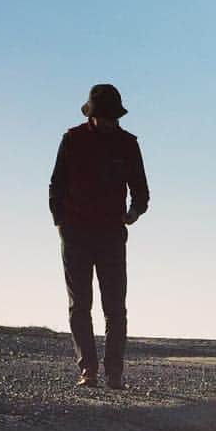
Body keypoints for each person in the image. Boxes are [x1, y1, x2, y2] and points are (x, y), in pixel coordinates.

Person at [49, 84, 149, 390]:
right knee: (80, 305)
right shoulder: (72, 139)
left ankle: (114, 373)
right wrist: (61, 223)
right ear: (92, 115)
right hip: (75, 234)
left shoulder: (128, 144)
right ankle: (88, 370)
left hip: (111, 236)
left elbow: (141, 191)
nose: (108, 122)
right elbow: (56, 185)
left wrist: (133, 214)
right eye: (103, 117)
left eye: (112, 118)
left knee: (115, 308)